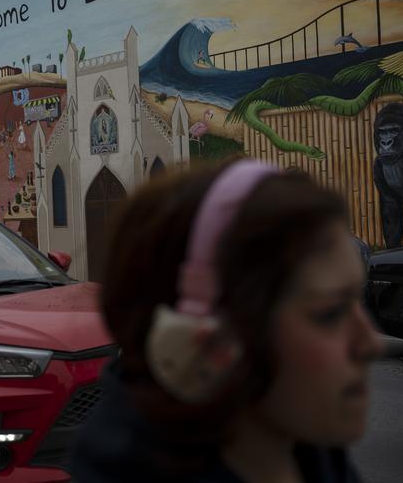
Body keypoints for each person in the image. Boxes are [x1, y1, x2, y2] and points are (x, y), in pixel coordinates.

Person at [72, 159, 382, 483]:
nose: (370, 343)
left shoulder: (316, 456)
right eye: (330, 313)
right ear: (201, 335)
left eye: (357, 302)